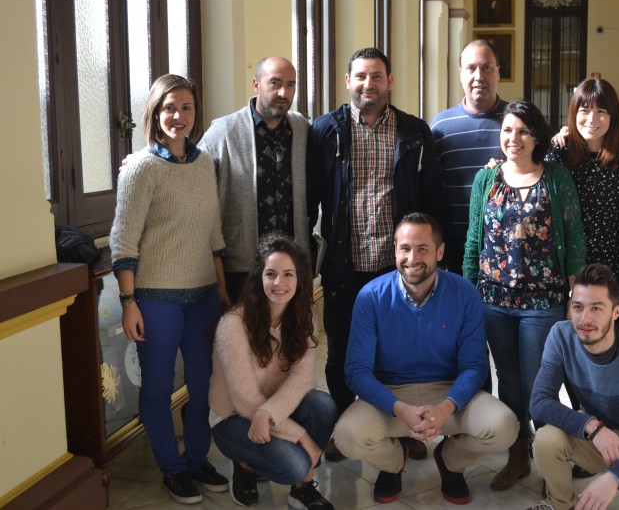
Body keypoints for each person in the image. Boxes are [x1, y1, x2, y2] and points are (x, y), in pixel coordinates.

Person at [306, 47, 446, 462]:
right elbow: (312, 196)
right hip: (344, 265)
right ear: (348, 81)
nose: (370, 84)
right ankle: (345, 429)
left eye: (378, 76)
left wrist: (433, 257)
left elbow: (432, 198)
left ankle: (401, 431)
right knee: (343, 350)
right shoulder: (324, 131)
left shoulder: (415, 132)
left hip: (397, 268)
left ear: (390, 81)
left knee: (397, 353)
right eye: (361, 76)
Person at [333, 213, 518, 505]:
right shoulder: (370, 296)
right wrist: (400, 409)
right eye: (405, 248)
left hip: (449, 393)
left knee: (505, 426)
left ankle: (450, 461)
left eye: (422, 248)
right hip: (392, 396)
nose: (412, 257)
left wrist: (446, 408)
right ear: (394, 250)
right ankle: (393, 463)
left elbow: (474, 366)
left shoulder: (465, 294)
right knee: (346, 437)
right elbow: (357, 372)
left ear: (440, 252)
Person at [110, 74, 230, 504]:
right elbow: (123, 242)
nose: (178, 117)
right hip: (156, 297)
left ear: (196, 114)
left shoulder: (204, 163)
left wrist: (220, 291)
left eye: (186, 108)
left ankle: (197, 459)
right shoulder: (141, 169)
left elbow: (214, 233)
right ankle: (172, 469)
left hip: (202, 296)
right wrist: (129, 303)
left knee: (204, 385)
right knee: (159, 388)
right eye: (169, 108)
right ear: (155, 114)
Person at [463, 100, 586, 491]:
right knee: (509, 383)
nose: (513, 139)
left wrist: (574, 296)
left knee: (539, 384)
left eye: (522, 131)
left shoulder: (556, 177)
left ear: (537, 137)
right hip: (493, 300)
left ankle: (552, 460)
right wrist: (468, 295)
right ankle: (518, 456)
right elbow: (472, 242)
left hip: (542, 301)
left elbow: (575, 239)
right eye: (507, 131)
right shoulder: (487, 179)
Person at [527, 264, 619, 510]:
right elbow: (540, 403)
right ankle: (559, 503)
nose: (585, 318)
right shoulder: (561, 336)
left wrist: (615, 476)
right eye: (578, 307)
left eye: (596, 308)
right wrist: (592, 427)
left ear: (616, 311)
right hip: (596, 432)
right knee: (545, 439)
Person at [209, 234, 337, 509]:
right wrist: (300, 436)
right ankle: (244, 465)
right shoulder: (232, 325)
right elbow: (245, 401)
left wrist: (269, 413)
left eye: (288, 274)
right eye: (271, 274)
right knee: (294, 464)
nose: (280, 283)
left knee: (323, 405)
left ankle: (302, 490)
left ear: (300, 279)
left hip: (270, 408)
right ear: (259, 278)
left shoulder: (303, 317)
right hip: (233, 416)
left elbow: (301, 380)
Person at [199, 56, 310, 304]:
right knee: (244, 339)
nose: (284, 92)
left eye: (291, 84)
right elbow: (191, 168)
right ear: (256, 84)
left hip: (291, 264)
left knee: (290, 338)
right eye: (275, 83)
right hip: (242, 265)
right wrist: (148, 157)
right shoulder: (224, 131)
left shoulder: (300, 128)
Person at [547, 78, 619, 303]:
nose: (592, 119)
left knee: (608, 325)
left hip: (612, 258)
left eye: (601, 111)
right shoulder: (560, 154)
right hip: (570, 258)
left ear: (613, 116)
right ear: (574, 113)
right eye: (585, 110)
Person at [430, 39, 507, 275]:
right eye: (471, 68)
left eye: (487, 67)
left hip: (509, 249)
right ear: (461, 74)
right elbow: (432, 191)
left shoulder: (517, 123)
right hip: (454, 250)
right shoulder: (440, 126)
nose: (478, 75)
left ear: (498, 73)